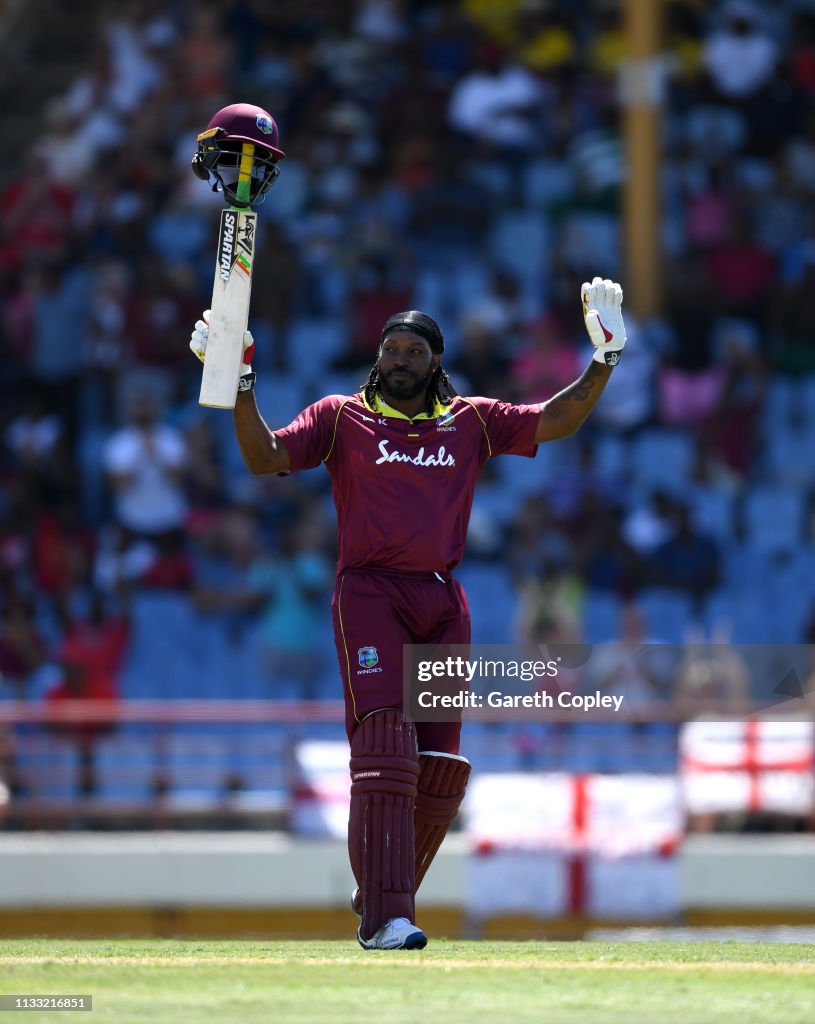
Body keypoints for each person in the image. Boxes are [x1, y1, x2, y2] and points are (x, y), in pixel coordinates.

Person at [190, 276, 627, 949]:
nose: (399, 359)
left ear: (434, 363)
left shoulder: (470, 421)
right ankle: (386, 918)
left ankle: (383, 895)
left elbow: (555, 419)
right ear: (377, 357)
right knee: (385, 743)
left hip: (442, 601)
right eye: (390, 348)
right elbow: (265, 457)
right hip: (369, 593)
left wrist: (603, 360)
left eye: (413, 351)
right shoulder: (341, 417)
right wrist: (239, 383)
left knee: (437, 767)